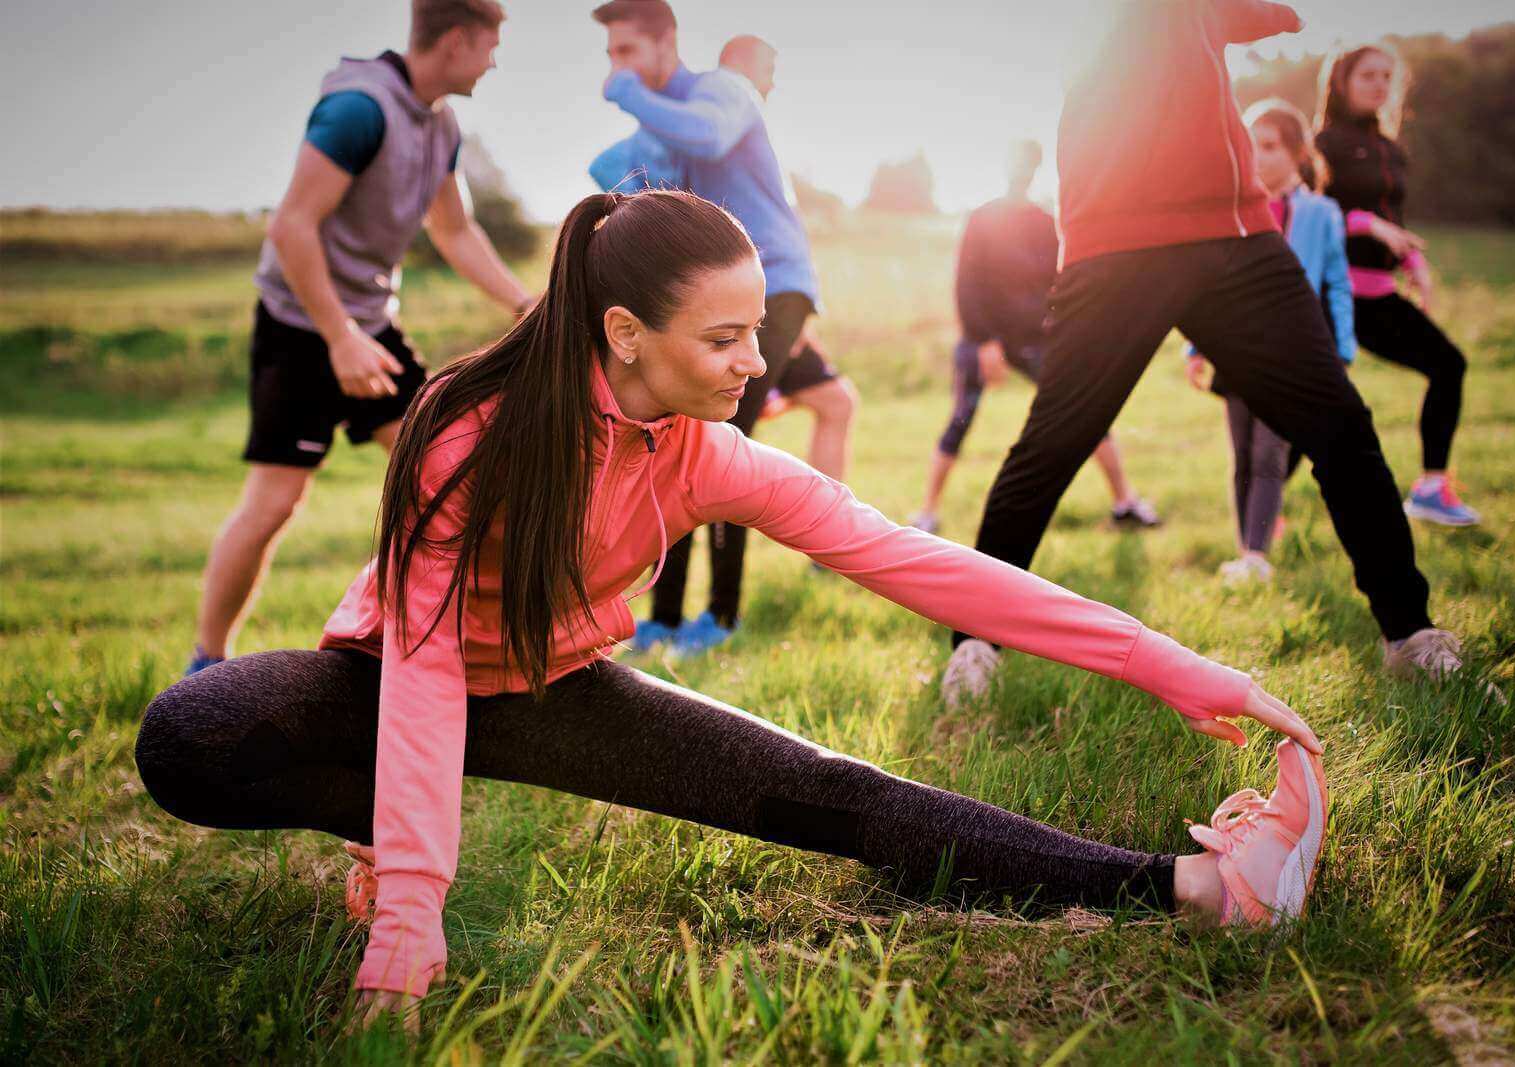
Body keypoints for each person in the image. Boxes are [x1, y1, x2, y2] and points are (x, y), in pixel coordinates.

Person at [136, 190, 1328, 1031]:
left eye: (755, 328)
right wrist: (410, 904)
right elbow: (428, 657)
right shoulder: (466, 430)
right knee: (191, 732)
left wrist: (1184, 670)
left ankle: (1204, 889)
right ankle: (400, 818)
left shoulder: (706, 453)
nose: (754, 360)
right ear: (625, 334)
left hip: (558, 689)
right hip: (397, 678)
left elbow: (917, 562)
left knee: (850, 797)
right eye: (724, 336)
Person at [943, 0, 1465, 709]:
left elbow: (1269, 15)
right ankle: (975, 643)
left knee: (1339, 424)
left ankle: (1409, 633)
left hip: (1236, 236)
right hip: (1114, 241)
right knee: (1053, 444)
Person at [185, 0, 534, 676]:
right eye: (490, 45)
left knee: (448, 469)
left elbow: (455, 230)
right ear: (457, 41)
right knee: (275, 503)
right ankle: (207, 662)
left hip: (369, 327)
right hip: (300, 326)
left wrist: (522, 301)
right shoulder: (358, 109)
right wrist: (337, 336)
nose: (494, 62)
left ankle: (446, 643)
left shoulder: (441, 125)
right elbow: (291, 226)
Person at [591, 3, 859, 655]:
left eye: (627, 53)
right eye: (610, 58)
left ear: (665, 45)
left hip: (775, 284)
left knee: (715, 445)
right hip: (708, 303)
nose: (616, 70)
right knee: (680, 438)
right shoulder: (663, 127)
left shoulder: (723, 91)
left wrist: (630, 98)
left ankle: (721, 614)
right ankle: (661, 619)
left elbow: (709, 137)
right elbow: (606, 174)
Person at [910, 139, 1161, 536]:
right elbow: (968, 285)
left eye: (1029, 163)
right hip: (983, 339)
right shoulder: (982, 219)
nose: (1021, 169)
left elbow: (1058, 284)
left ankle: (1124, 502)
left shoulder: (1045, 223)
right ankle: (927, 513)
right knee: (960, 420)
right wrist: (984, 341)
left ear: (1036, 168)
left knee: (1083, 411)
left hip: (1034, 340)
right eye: (1015, 160)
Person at [1187, 100, 1355, 584]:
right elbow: (1208, 285)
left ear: (1299, 153)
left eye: (1268, 147)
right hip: (1236, 350)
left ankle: (1257, 555)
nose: (1257, 158)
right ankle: (1247, 550)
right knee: (1242, 454)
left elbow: (1338, 284)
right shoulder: (1233, 212)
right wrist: (1195, 346)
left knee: (1268, 455)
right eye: (1249, 147)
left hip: (1292, 354)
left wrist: (1341, 350)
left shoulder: (1322, 213)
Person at [1315, 44, 1480, 526]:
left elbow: (1394, 218)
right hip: (1334, 295)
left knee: (1449, 365)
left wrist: (1414, 262)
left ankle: (1431, 489)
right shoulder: (1324, 145)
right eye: (1368, 75)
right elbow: (1307, 215)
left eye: (1387, 76)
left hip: (1380, 293)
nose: (1380, 84)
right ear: (1341, 82)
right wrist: (1366, 224)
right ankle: (1264, 520)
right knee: (1315, 399)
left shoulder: (1390, 149)